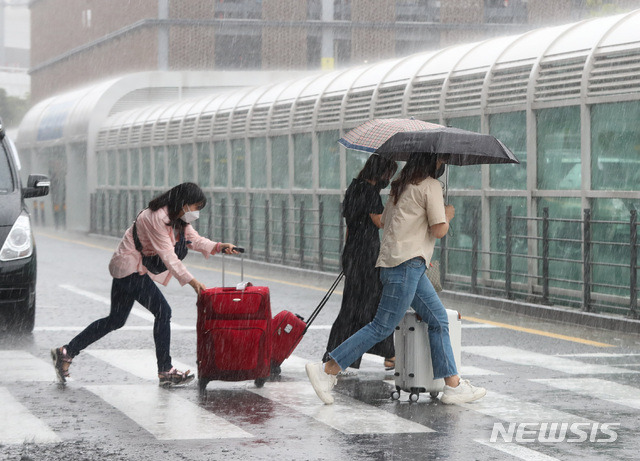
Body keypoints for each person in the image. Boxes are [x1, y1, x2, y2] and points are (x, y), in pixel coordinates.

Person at [305, 153, 487, 405]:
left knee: (438, 319)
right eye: (440, 161)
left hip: (398, 263)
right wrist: (447, 214)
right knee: (381, 326)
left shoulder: (399, 185)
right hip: (406, 266)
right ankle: (327, 369)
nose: (442, 165)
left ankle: (453, 385)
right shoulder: (430, 186)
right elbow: (438, 229)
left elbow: (389, 222)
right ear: (433, 163)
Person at [51, 182, 240, 387]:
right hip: (129, 267)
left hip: (131, 269)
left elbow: (193, 240)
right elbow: (168, 256)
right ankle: (165, 370)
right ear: (184, 203)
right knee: (163, 312)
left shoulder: (178, 218)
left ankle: (67, 352)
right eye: (195, 207)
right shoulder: (157, 217)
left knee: (116, 319)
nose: (196, 213)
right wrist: (192, 282)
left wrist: (220, 247)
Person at [322, 154, 398, 372]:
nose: (389, 178)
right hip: (366, 255)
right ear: (380, 172)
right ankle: (387, 353)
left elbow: (350, 224)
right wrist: (395, 209)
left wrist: (348, 257)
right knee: (373, 305)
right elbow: (379, 221)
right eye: (388, 174)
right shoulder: (369, 191)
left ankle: (338, 354)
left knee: (353, 306)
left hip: (353, 253)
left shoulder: (354, 187)